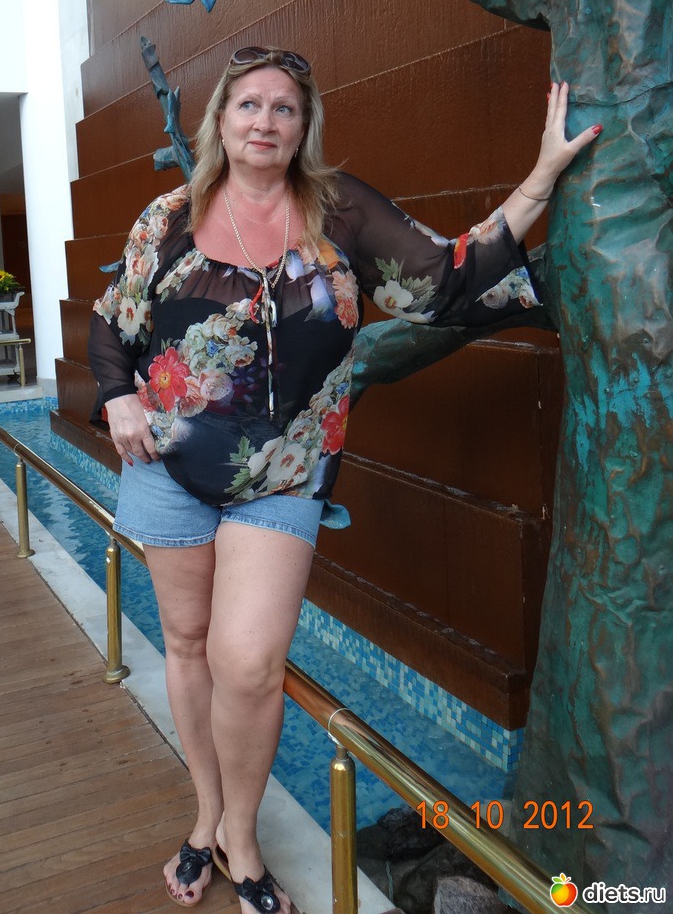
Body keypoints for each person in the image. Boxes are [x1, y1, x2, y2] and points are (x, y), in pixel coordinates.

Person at [88, 47, 599, 913]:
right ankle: (207, 818)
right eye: (249, 105)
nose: (265, 121)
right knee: (188, 645)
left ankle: (243, 839)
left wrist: (542, 180)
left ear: (304, 126)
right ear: (221, 120)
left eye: (284, 108)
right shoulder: (170, 217)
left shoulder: (341, 212)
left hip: (285, 475)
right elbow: (114, 325)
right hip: (166, 466)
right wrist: (115, 398)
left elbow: (443, 281)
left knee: (248, 664)